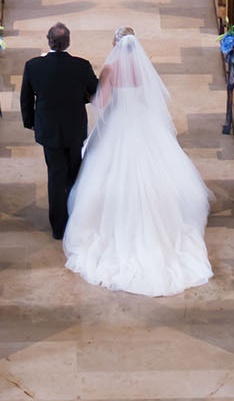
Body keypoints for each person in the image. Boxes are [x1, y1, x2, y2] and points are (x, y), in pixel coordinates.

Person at [62, 27, 211, 294]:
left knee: (103, 172)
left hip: (119, 123)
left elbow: (102, 101)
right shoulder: (144, 67)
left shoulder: (111, 68)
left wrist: (87, 96)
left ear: (115, 44)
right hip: (143, 122)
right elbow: (150, 98)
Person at [20, 21, 99, 241]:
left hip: (49, 129)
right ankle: (77, 217)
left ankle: (58, 228)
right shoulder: (81, 66)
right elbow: (95, 89)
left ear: (49, 41)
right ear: (68, 42)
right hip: (74, 128)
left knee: (55, 176)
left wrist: (30, 122)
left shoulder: (33, 66)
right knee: (75, 172)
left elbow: (26, 98)